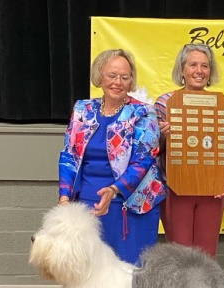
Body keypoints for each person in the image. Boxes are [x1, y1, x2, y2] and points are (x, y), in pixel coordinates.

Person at [58, 48, 166, 265]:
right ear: (100, 76)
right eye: (112, 75)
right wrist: (64, 197)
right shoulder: (82, 109)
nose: (118, 82)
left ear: (131, 80)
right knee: (89, 272)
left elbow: (144, 159)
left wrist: (114, 190)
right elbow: (69, 155)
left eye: (124, 77)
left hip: (130, 203)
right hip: (86, 203)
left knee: (128, 274)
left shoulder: (143, 112)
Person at [154, 43, 224, 257]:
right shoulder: (165, 103)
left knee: (207, 253)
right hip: (175, 188)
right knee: (179, 253)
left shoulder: (220, 104)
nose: (199, 71)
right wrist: (163, 135)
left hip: (212, 190)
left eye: (205, 66)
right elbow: (152, 150)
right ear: (182, 70)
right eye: (193, 65)